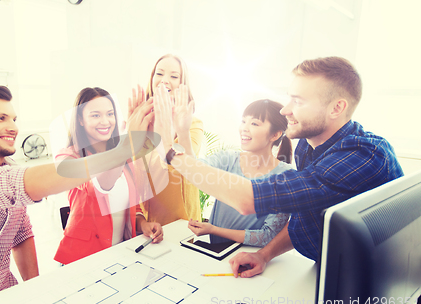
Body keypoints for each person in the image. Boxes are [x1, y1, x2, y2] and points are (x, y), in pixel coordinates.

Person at [153, 56, 404, 278]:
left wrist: (170, 149)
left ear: (336, 108)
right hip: (327, 265)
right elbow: (304, 218)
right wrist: (264, 255)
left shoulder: (364, 155)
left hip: (372, 278)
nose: (285, 110)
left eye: (298, 101)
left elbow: (248, 199)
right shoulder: (308, 147)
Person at [0, 81, 153, 304]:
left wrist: (36, 292)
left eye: (13, 119)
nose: (13, 127)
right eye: (1, 118)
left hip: (4, 295)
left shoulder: (8, 167)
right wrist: (124, 147)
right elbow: (9, 186)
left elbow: (21, 233)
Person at [54, 87, 163, 265]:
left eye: (110, 114)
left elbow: (132, 206)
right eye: (95, 115)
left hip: (120, 255)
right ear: (80, 119)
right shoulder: (68, 157)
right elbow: (101, 186)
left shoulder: (123, 155)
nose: (105, 121)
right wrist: (128, 142)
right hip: (83, 259)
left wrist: (143, 224)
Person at [188, 99, 292, 247]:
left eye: (254, 123)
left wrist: (215, 230)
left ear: (275, 135)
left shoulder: (286, 176)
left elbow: (268, 235)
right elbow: (194, 169)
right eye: (243, 121)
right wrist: (183, 131)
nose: (244, 128)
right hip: (217, 250)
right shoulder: (228, 158)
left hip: (252, 257)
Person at [129, 54, 204, 225]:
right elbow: (133, 173)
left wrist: (166, 130)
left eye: (174, 76)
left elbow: (184, 167)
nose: (164, 80)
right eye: (159, 73)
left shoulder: (193, 125)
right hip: (148, 222)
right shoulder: (141, 122)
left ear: (182, 84)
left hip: (183, 222)